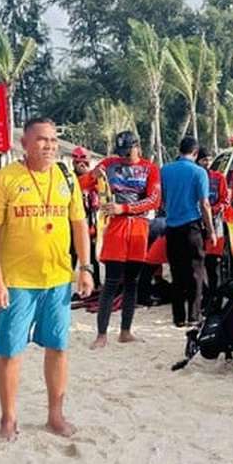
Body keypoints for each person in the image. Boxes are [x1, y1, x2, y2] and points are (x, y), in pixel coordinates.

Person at [0, 117, 94, 441]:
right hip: (17, 281)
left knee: (58, 347)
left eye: (54, 140)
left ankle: (55, 416)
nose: (49, 146)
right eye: (42, 139)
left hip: (57, 279)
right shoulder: (4, 179)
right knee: (10, 350)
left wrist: (85, 268)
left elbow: (79, 225)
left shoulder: (66, 177)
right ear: (25, 143)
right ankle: (8, 418)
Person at [90, 131, 161, 349]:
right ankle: (101, 334)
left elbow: (154, 200)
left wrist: (125, 208)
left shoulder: (150, 168)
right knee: (111, 282)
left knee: (132, 283)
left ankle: (125, 331)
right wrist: (93, 176)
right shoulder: (109, 164)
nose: (124, 157)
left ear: (137, 147)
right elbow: (87, 183)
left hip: (138, 227)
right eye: (121, 152)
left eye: (127, 152)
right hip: (115, 228)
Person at [159, 137, 216, 327]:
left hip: (171, 227)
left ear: (179, 150)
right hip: (191, 227)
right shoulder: (199, 172)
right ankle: (193, 315)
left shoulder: (165, 170)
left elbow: (162, 199)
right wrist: (211, 230)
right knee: (196, 272)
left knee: (176, 272)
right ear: (196, 153)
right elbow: (204, 204)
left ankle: (178, 317)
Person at [198, 148, 230, 299]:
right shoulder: (194, 177)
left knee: (213, 265)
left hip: (215, 225)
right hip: (197, 224)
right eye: (204, 160)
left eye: (209, 159)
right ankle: (204, 296)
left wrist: (213, 210)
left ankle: (215, 299)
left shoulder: (218, 178)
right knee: (199, 265)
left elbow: (225, 200)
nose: (207, 163)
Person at [71, 146, 101, 291]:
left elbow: (103, 195)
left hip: (90, 222)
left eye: (85, 163)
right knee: (71, 256)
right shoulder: (70, 179)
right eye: (79, 163)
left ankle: (96, 286)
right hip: (72, 224)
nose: (82, 166)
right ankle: (65, 287)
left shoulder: (94, 179)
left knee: (92, 256)